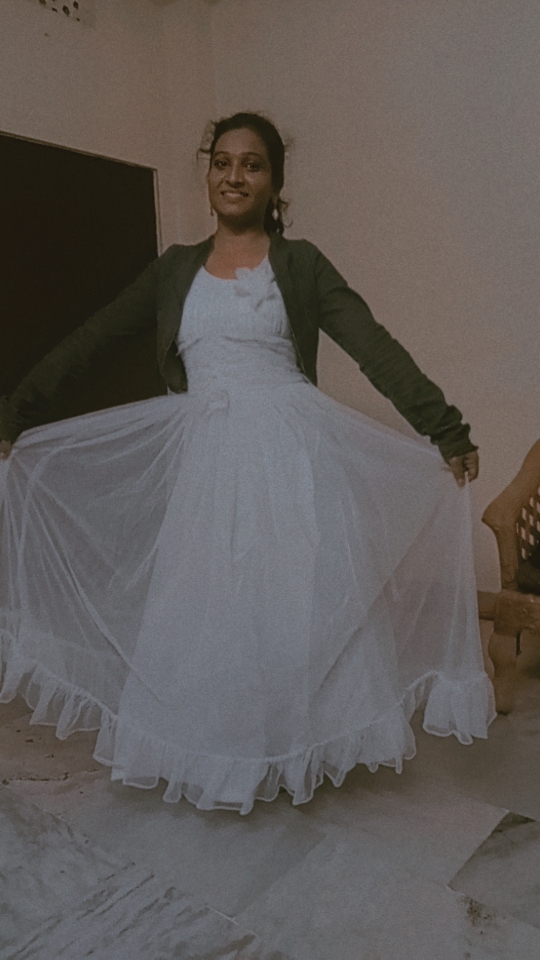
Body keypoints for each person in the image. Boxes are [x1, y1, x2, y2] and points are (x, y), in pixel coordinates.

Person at [0, 113, 494, 815]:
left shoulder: (302, 264)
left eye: (252, 165)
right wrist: (16, 412)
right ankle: (220, 757)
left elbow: (372, 346)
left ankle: (292, 751)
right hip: (208, 460)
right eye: (222, 162)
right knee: (212, 610)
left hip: (292, 456)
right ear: (208, 175)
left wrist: (444, 427)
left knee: (290, 604)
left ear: (274, 183)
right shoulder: (174, 269)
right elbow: (92, 339)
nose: (235, 176)